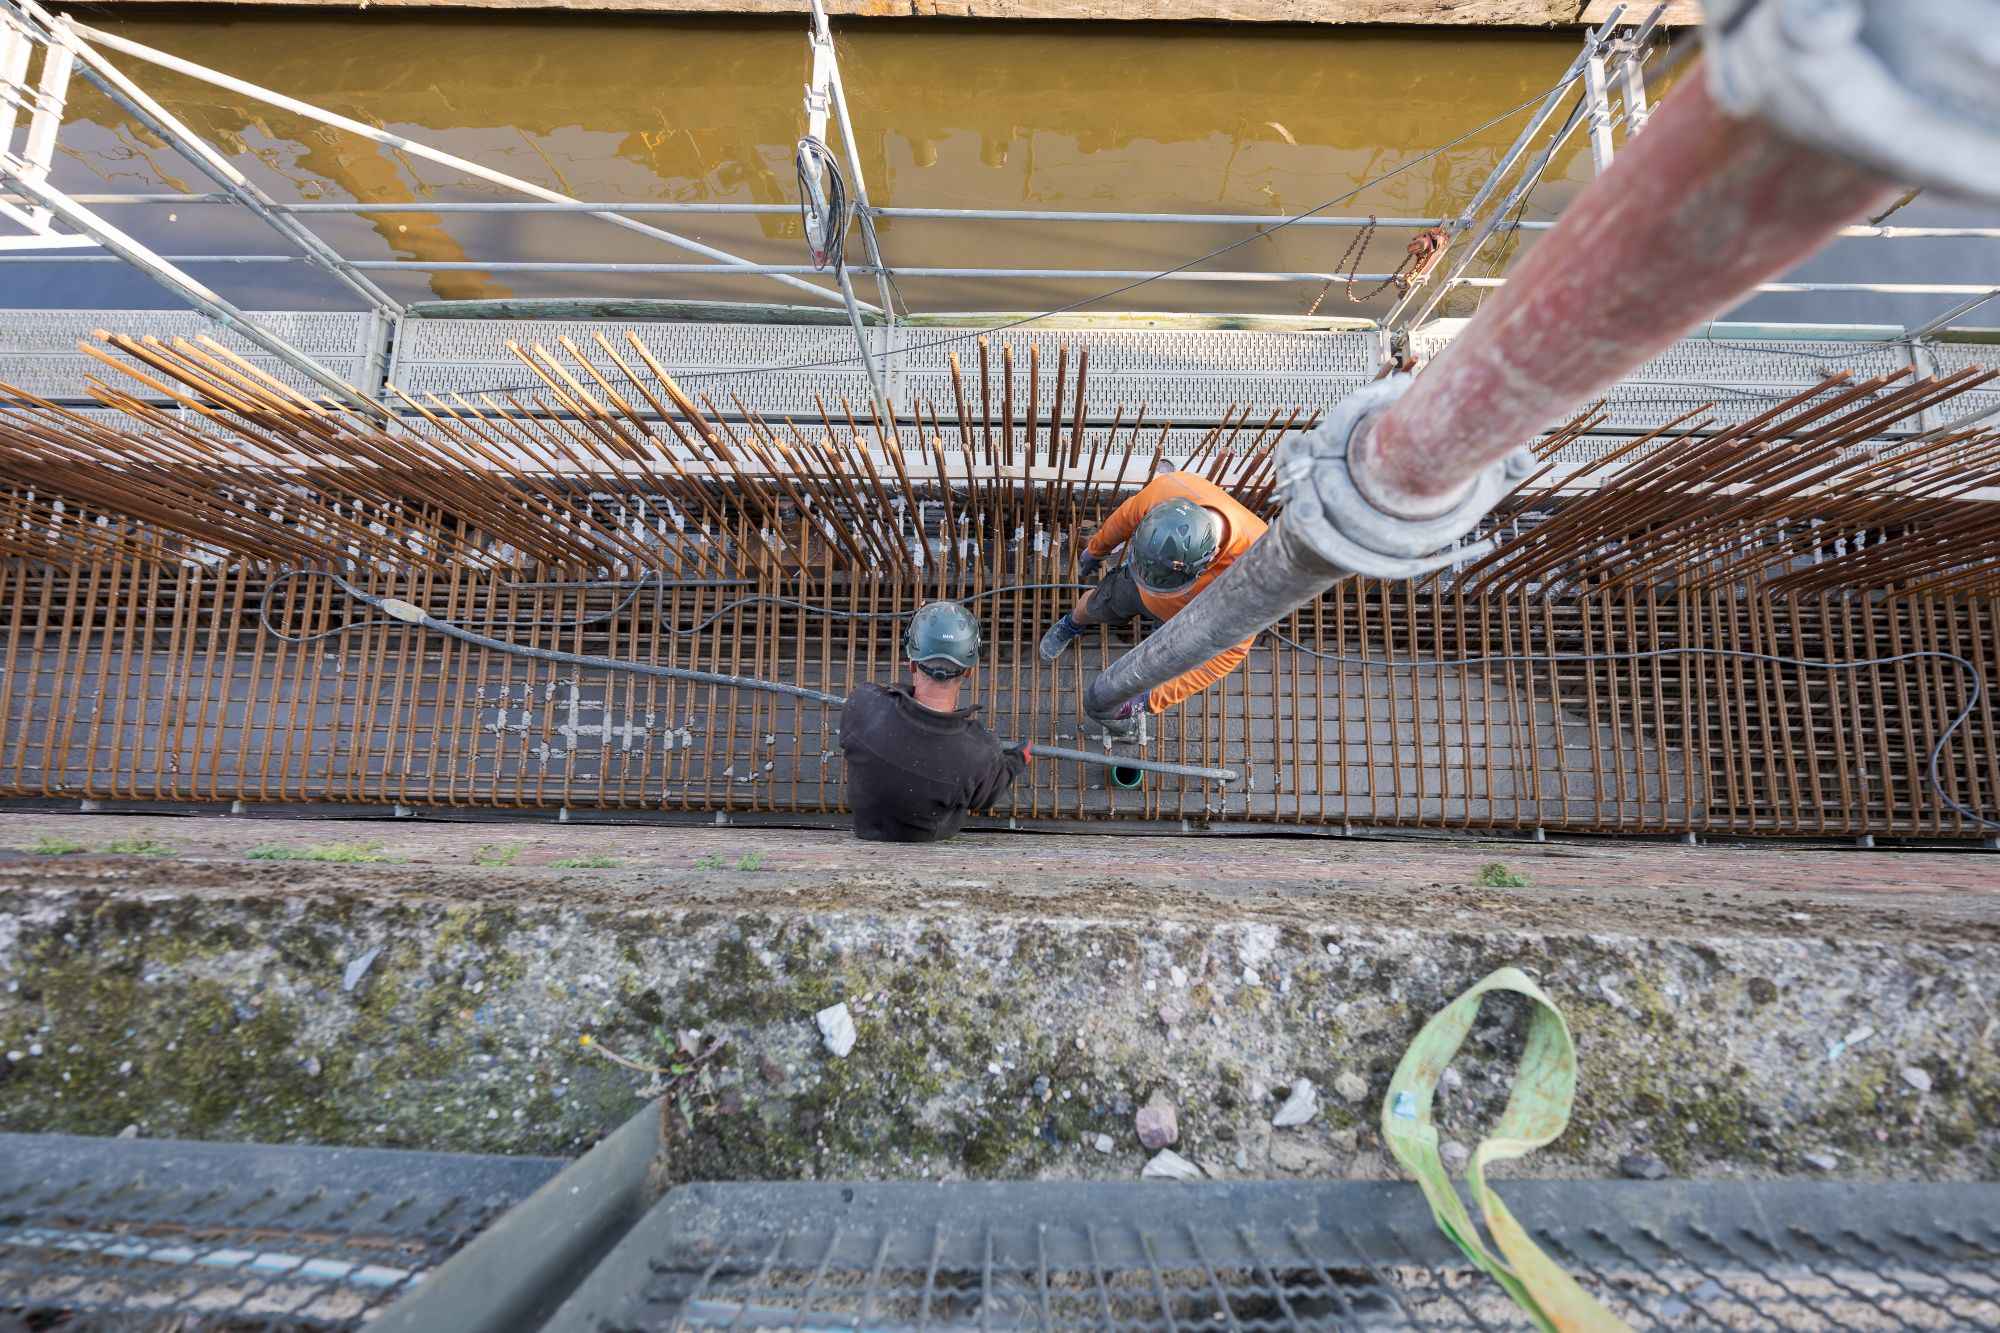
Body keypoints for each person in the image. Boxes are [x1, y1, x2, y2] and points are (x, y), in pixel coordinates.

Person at [1038, 470, 1266, 734]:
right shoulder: (1169, 490)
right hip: (1136, 585)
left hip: (1193, 616)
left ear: (1210, 556)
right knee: (1097, 604)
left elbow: (1226, 655)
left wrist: (1150, 699)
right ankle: (1071, 624)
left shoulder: (1257, 570)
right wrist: (1096, 549)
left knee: (1170, 653)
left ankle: (1160, 632)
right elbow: (1125, 518)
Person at [840, 600, 1029, 842]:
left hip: (867, 830)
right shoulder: (978, 751)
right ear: (969, 671)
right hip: (930, 839)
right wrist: (1018, 760)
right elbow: (985, 799)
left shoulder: (862, 705)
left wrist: (925, 620)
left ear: (911, 664)